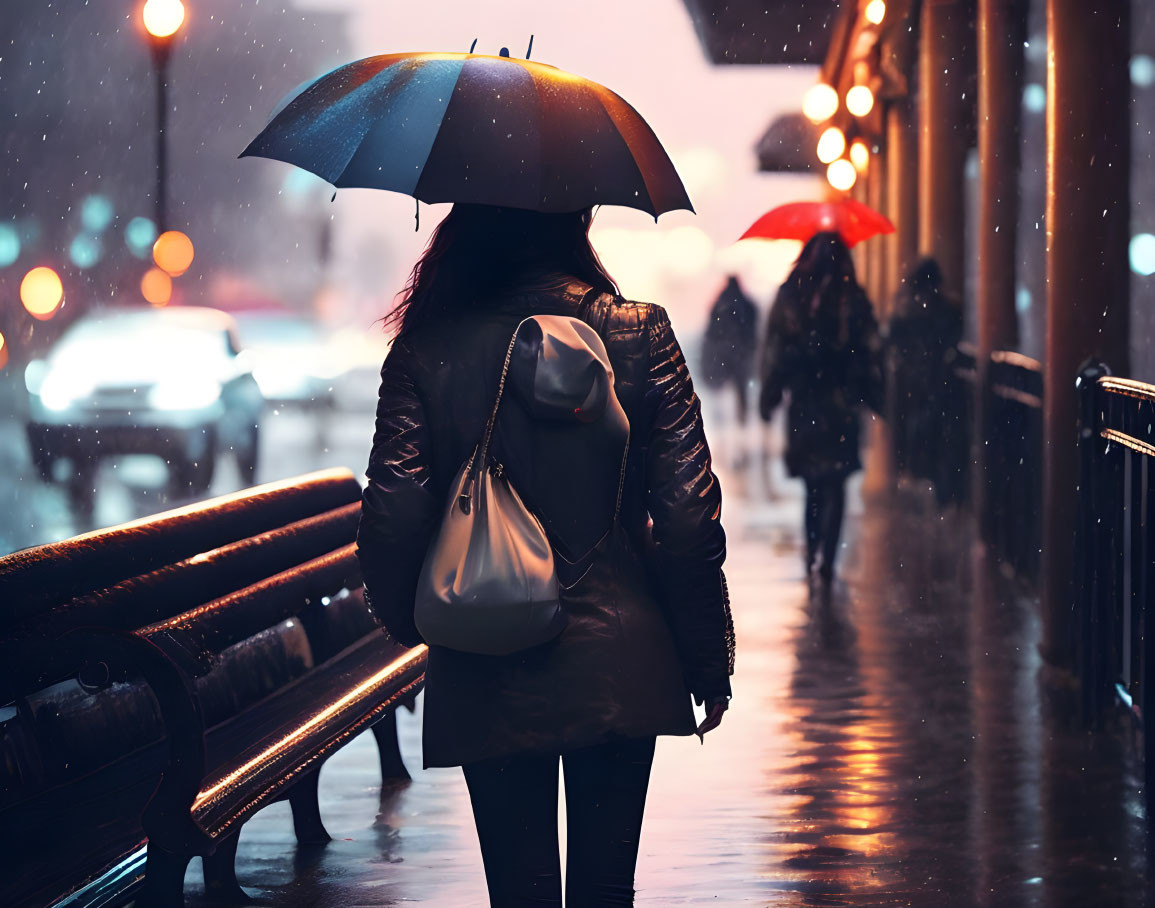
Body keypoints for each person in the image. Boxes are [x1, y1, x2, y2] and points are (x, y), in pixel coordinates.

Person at [356, 204, 735, 907]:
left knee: (519, 889)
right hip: (620, 651)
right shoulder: (637, 333)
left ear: (467, 223)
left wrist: (417, 624)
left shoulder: (426, 349)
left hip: (483, 645)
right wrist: (705, 656)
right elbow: (685, 518)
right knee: (603, 889)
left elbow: (393, 509)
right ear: (574, 221)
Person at [758, 231, 882, 585]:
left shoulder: (792, 295)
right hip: (839, 404)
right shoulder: (852, 298)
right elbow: (870, 350)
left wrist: (772, 392)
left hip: (806, 403)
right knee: (836, 482)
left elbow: (776, 350)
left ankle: (813, 551)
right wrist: (873, 395)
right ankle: (826, 557)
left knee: (814, 484)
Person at [886, 258, 965, 505]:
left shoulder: (905, 313)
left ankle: (916, 476)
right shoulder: (948, 311)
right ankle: (940, 491)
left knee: (917, 436)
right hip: (940, 387)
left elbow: (891, 344)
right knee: (941, 440)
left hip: (914, 388)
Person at [701, 275, 759, 426]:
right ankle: (741, 419)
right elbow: (752, 326)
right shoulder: (745, 304)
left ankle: (721, 420)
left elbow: (712, 330)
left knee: (721, 386)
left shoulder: (720, 304)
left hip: (725, 352)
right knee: (740, 387)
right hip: (740, 352)